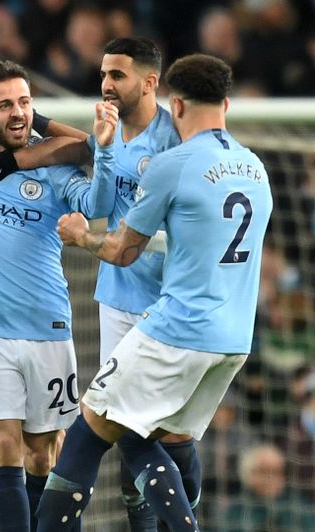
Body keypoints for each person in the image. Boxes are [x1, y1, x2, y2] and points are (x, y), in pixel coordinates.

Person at [44, 54, 273, 532]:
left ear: (177, 104)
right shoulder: (255, 168)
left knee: (89, 431)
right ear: (226, 104)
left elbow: (124, 251)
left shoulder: (174, 165)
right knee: (154, 439)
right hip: (232, 340)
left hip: (178, 329)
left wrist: (79, 236)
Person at [0, 60, 114, 532]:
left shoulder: (52, 167)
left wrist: (36, 131)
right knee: (4, 446)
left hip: (48, 327)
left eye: (25, 103)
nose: (18, 113)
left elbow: (96, 169)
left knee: (44, 452)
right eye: (6, 104)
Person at [91, 38, 201, 532]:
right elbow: (96, 210)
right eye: (104, 74)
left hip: (168, 302)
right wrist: (103, 148)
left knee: (174, 436)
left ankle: (184, 517)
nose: (107, 85)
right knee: (124, 425)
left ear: (150, 82)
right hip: (116, 297)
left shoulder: (176, 139)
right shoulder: (106, 133)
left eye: (118, 75)